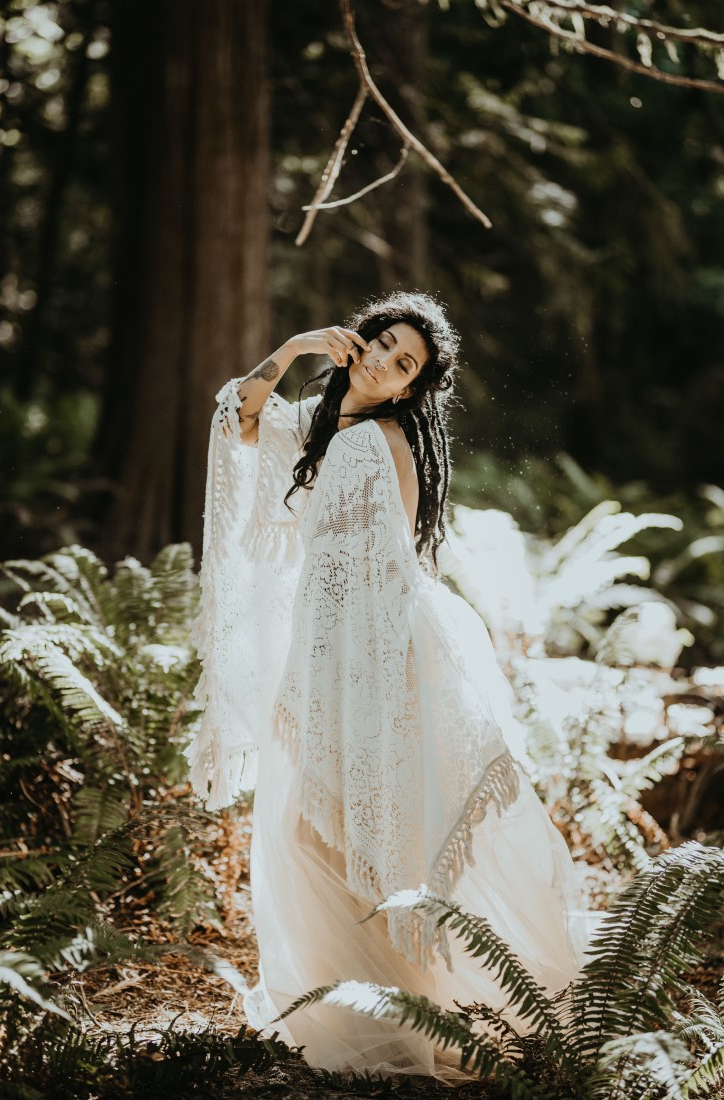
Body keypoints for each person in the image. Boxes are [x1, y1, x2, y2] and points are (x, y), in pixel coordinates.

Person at [187, 291, 591, 1086]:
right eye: (379, 344)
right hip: (319, 645)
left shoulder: (383, 440)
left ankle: (406, 1010)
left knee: (374, 816)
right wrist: (301, 342)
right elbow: (235, 412)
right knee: (304, 825)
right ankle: (339, 1010)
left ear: (410, 389)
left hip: (377, 648)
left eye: (402, 363)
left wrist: (381, 678)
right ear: (356, 342)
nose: (382, 362)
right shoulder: (314, 420)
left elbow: (395, 567)